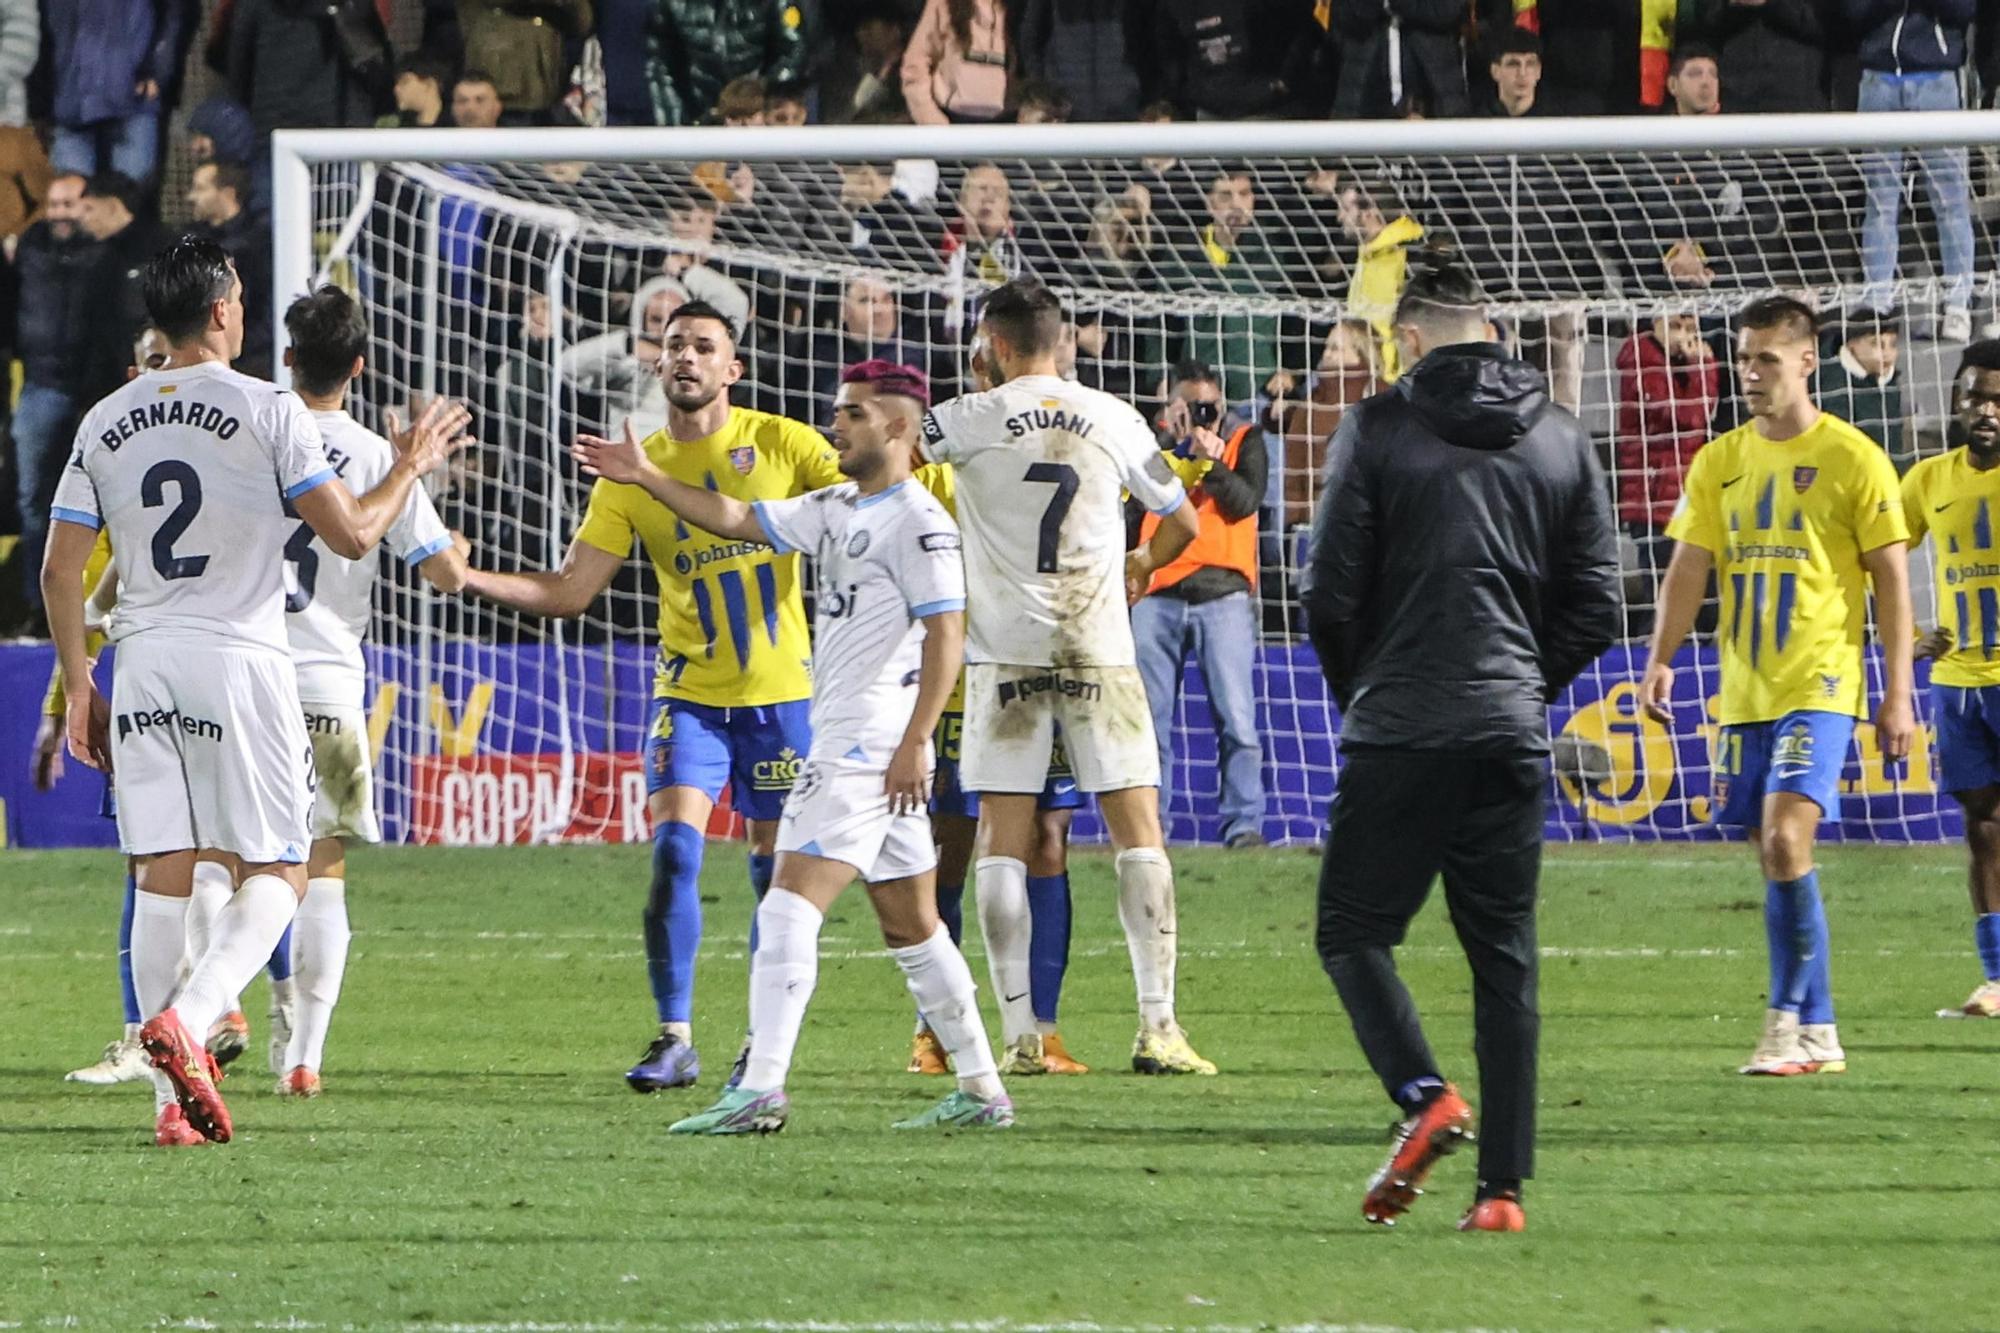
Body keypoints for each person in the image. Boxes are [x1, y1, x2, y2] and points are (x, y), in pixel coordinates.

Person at [41, 236, 465, 1147]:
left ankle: (169, 1106)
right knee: (283, 867)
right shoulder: (268, 408)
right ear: (225, 311)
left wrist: (81, 687)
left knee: (163, 870)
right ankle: (189, 1020)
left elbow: (59, 572)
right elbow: (351, 536)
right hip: (239, 655)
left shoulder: (103, 418)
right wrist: (408, 466)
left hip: (142, 655)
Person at [575, 360, 1014, 1133]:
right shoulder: (842, 503)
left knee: (785, 908)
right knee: (914, 927)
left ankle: (760, 1091)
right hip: (868, 746)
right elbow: (739, 519)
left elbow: (949, 632)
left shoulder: (918, 521)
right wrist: (645, 475)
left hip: (865, 746)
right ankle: (983, 1089)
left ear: (898, 428)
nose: (835, 424)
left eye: (852, 414)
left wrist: (917, 741)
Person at [1304, 259, 1620, 1234]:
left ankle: (1421, 1094)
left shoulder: (1377, 425)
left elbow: (1327, 589)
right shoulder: (1561, 435)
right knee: (1504, 962)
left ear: (1406, 336)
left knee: (1352, 932)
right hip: (1505, 734)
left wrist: (1365, 687)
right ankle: (1500, 1192)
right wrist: (1522, 687)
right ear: (1487, 328)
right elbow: (1598, 604)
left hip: (1400, 727)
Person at [460, 300, 840, 1092]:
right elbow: (571, 591)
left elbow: (863, 505)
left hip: (782, 698)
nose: (688, 358)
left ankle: (761, 1042)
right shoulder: (630, 471)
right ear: (657, 364)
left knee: (775, 876)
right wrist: (465, 576)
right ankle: (674, 1037)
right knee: (673, 853)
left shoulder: (782, 444)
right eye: (675, 346)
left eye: (705, 346)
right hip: (690, 695)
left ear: (733, 368)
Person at [917, 279, 1215, 1076]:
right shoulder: (1115, 416)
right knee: (1138, 835)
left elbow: (895, 466)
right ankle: (1159, 1027)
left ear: (997, 346)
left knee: (1001, 844)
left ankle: (1019, 1037)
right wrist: (1141, 564)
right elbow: (1183, 521)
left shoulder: (963, 417)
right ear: (1062, 341)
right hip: (1098, 652)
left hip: (1004, 656)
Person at [1641, 295, 1914, 1080]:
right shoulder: (1719, 458)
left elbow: (1891, 582)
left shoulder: (1855, 456)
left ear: (1805, 360)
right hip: (1745, 688)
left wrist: (1898, 691)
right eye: (1744, 356)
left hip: (1822, 681)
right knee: (1773, 854)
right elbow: (1689, 564)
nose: (1750, 372)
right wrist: (1662, 657)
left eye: (1766, 358)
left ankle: (1783, 1021)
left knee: (1791, 839)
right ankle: (1823, 1028)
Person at [269, 286, 470, 1096]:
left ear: (287, 358)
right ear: (360, 365)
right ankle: (305, 1056)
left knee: (227, 861)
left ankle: (224, 1019)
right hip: (327, 683)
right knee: (324, 867)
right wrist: (441, 522)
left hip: (241, 676)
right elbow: (445, 575)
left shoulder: (255, 432)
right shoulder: (379, 459)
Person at [913, 332, 1089, 1079]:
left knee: (1048, 836)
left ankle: (1040, 1031)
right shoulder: (948, 466)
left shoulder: (1076, 443)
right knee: (949, 846)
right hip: (962, 679)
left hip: (1041, 671)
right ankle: (937, 1030)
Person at [1901, 341, 2000, 1017]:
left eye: (1998, 397)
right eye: (1975, 397)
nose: (1986, 410)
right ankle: (1997, 978)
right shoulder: (1928, 479)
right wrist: (1910, 637)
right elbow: (1875, 562)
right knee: (1984, 828)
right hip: (1959, 680)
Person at [1134, 361, 1268, 850]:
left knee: (1237, 720)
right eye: (1189, 406)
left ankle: (1243, 826)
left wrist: (1208, 461)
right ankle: (1150, 830)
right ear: (1170, 408)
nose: (1201, 414)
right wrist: (1178, 450)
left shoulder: (1244, 441)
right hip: (1158, 592)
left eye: (1207, 405)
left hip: (1224, 595)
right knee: (1149, 723)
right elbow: (1135, 505)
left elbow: (1246, 501)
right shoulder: (1146, 446)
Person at [1846, 0, 1975, 340]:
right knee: (1880, 201)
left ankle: (1958, 304)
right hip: (1877, 83)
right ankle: (1878, 301)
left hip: (1937, 83)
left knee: (1950, 201)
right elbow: (1852, 13)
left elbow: (1963, 11)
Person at [12, 174, 103, 629]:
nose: (59, 213)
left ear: (86, 205)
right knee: (33, 498)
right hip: (40, 385)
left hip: (93, 394)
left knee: (98, 500)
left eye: (68, 204)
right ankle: (36, 606)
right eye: (52, 204)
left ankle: (93, 606)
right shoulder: (30, 248)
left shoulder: (106, 251)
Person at [186, 159, 272, 377]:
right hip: (204, 358)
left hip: (253, 360)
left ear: (227, 194)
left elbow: (268, 310)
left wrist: (235, 348)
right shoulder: (190, 241)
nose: (191, 197)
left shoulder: (261, 242)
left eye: (200, 189)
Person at [1815, 306, 1905, 464]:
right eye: (1876, 344)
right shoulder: (1832, 384)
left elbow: (1894, 443)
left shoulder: (1888, 380)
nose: (1887, 353)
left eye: (1893, 344)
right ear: (1852, 345)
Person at [902, 0, 1010, 125]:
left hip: (999, 127)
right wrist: (931, 119)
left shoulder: (1008, 9)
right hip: (951, 122)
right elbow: (915, 65)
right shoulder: (943, 5)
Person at [1480, 27, 1544, 117]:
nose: (1522, 73)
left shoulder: (1558, 121)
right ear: (1495, 71)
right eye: (1513, 64)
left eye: (1530, 64)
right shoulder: (1474, 122)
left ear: (1538, 71)